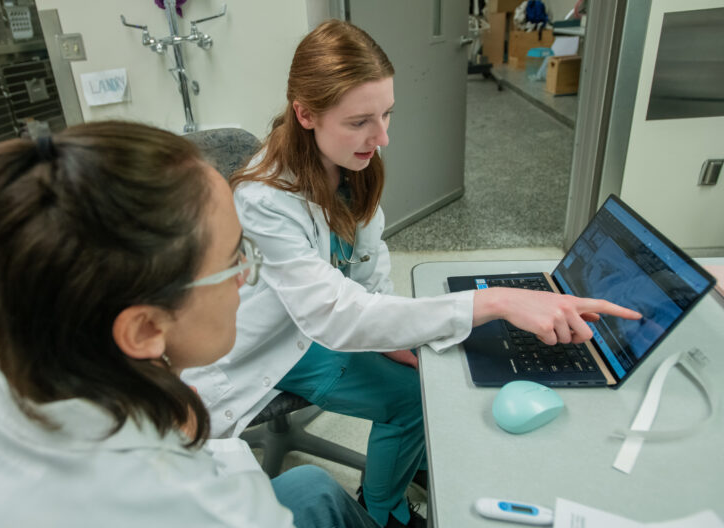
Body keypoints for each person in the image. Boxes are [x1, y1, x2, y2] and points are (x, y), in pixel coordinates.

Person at [181, 19, 641, 528]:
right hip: (273, 342)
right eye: (361, 121)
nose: (382, 137)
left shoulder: (349, 164)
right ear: (305, 114)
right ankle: (383, 515)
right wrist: (496, 301)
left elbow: (370, 273)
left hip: (319, 323)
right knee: (410, 400)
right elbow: (332, 315)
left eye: (386, 114)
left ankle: (404, 467)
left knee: (428, 376)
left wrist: (408, 341)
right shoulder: (265, 198)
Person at [0, 121, 380, 528]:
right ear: (144, 329)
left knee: (311, 488)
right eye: (232, 261)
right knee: (315, 492)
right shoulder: (185, 500)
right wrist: (193, 435)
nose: (246, 275)